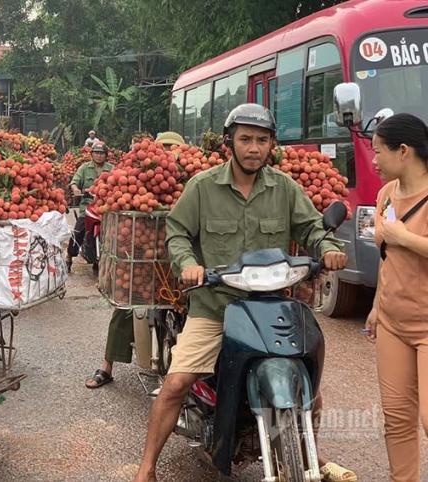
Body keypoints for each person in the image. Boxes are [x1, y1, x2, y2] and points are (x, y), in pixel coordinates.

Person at [133, 104, 356, 482]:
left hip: (271, 307)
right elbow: (177, 233)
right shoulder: (203, 186)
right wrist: (189, 263)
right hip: (215, 307)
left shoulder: (284, 188)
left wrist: (327, 248)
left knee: (310, 389)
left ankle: (310, 456)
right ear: (230, 143)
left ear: (272, 145)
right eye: (246, 139)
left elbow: (312, 229)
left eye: (262, 140)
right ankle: (146, 467)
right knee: (175, 384)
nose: (254, 148)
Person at [86, 133, 187, 389]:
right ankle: (107, 366)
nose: (166, 155)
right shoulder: (133, 177)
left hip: (176, 258)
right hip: (140, 257)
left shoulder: (187, 182)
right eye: (163, 149)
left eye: (171, 150)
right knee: (124, 305)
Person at [365, 113, 428, 482]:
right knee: (397, 417)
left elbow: (399, 242)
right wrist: (374, 307)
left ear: (403, 151)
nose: (373, 159)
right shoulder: (385, 194)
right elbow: (386, 256)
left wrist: (404, 236)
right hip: (392, 321)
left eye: (378, 151)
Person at [67, 141, 113, 273]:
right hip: (87, 208)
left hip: (105, 209)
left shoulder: (111, 169)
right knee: (78, 232)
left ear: (106, 155)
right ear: (92, 154)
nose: (99, 156)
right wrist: (75, 189)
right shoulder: (84, 168)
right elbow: (74, 182)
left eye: (101, 153)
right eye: (96, 153)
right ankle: (69, 255)